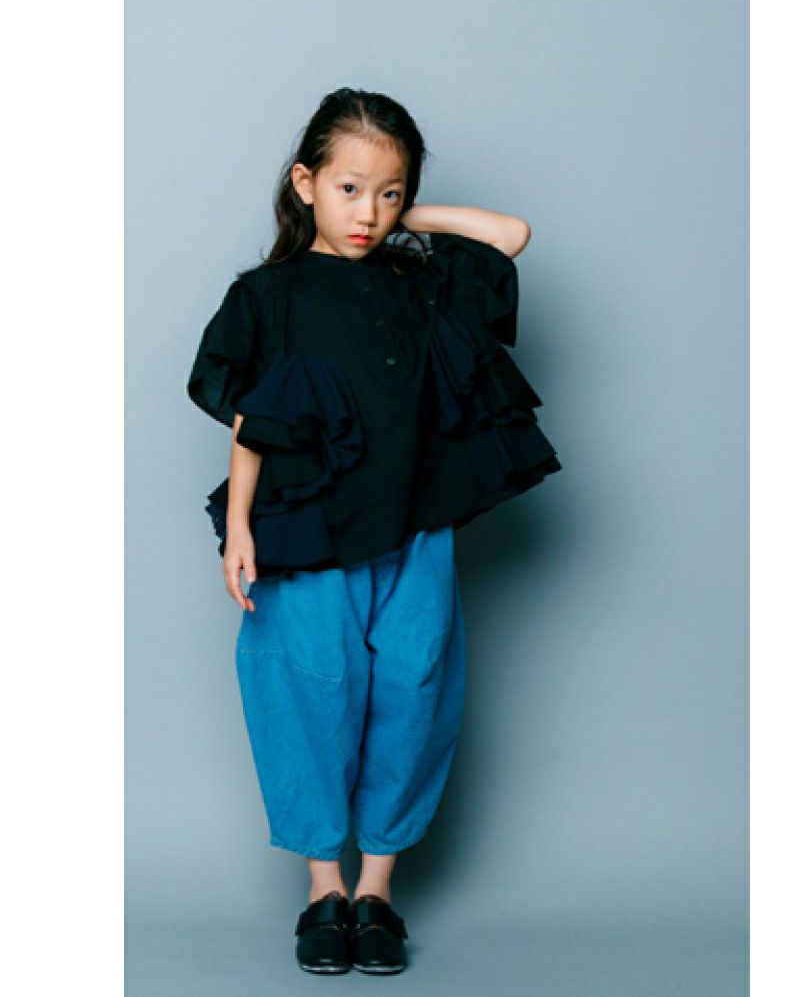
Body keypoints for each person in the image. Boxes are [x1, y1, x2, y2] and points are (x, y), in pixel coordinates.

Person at [186, 87, 562, 975]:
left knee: (414, 692)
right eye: (348, 189)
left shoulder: (416, 280)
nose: (368, 212)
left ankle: (377, 892)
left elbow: (509, 234)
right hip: (309, 532)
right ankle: (324, 888)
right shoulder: (269, 295)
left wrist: (399, 217)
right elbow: (254, 421)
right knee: (308, 695)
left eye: (389, 193)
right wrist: (238, 528)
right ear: (304, 182)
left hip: (414, 527)